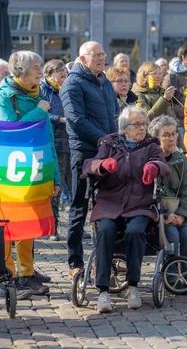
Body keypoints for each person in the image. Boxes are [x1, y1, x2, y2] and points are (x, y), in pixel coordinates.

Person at [83, 106, 170, 313]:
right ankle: (103, 291)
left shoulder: (151, 145)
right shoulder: (109, 143)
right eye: (137, 124)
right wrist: (102, 165)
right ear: (124, 128)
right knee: (105, 230)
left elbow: (164, 165)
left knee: (135, 231)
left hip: (140, 203)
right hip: (110, 202)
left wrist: (155, 167)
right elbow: (89, 165)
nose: (142, 128)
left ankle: (133, 286)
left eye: (144, 124)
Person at [0, 51, 61, 299]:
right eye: (35, 67)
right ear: (19, 71)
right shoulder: (6, 96)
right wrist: (38, 111)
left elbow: (47, 140)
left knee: (28, 223)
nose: (40, 70)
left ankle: (27, 273)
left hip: (36, 167)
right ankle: (8, 275)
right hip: (10, 172)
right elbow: (10, 131)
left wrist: (54, 177)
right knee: (7, 225)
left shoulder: (38, 93)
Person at [61, 41, 119, 279]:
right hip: (84, 153)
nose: (101, 58)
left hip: (108, 152)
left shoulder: (104, 81)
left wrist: (116, 138)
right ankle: (75, 261)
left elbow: (113, 113)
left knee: (108, 206)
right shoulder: (72, 83)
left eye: (103, 54)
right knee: (79, 208)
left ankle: (106, 259)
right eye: (96, 55)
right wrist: (103, 139)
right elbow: (76, 119)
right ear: (82, 58)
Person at [148, 115, 187, 294]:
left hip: (178, 213)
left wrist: (182, 214)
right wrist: (165, 215)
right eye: (166, 135)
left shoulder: (180, 159)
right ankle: (170, 279)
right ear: (156, 137)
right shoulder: (150, 160)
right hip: (157, 214)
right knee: (172, 235)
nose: (171, 138)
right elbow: (150, 192)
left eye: (173, 134)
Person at [40, 59, 70, 241]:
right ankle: (53, 227)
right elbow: (42, 112)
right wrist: (58, 119)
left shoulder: (66, 89)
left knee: (73, 187)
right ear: (49, 74)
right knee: (55, 189)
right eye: (59, 71)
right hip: (55, 142)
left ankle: (77, 227)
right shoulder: (44, 90)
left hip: (70, 142)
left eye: (65, 71)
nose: (63, 74)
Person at [162, 45, 187, 129]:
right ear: (183, 57)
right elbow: (167, 101)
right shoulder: (172, 77)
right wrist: (185, 111)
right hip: (180, 123)